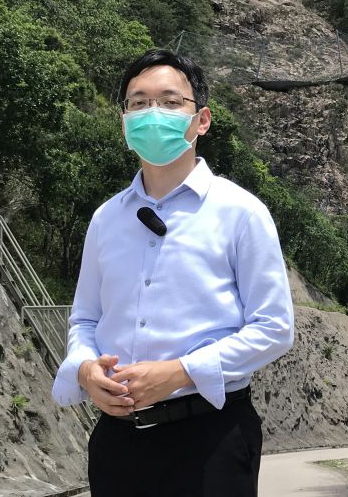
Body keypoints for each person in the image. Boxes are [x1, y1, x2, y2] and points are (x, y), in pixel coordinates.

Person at [51, 48, 295, 496]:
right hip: (116, 441)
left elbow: (274, 328)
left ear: (201, 120)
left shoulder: (240, 212)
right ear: (124, 121)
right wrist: (85, 369)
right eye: (138, 103)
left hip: (210, 439)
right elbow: (85, 318)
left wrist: (181, 372)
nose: (152, 113)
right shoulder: (106, 219)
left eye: (169, 101)